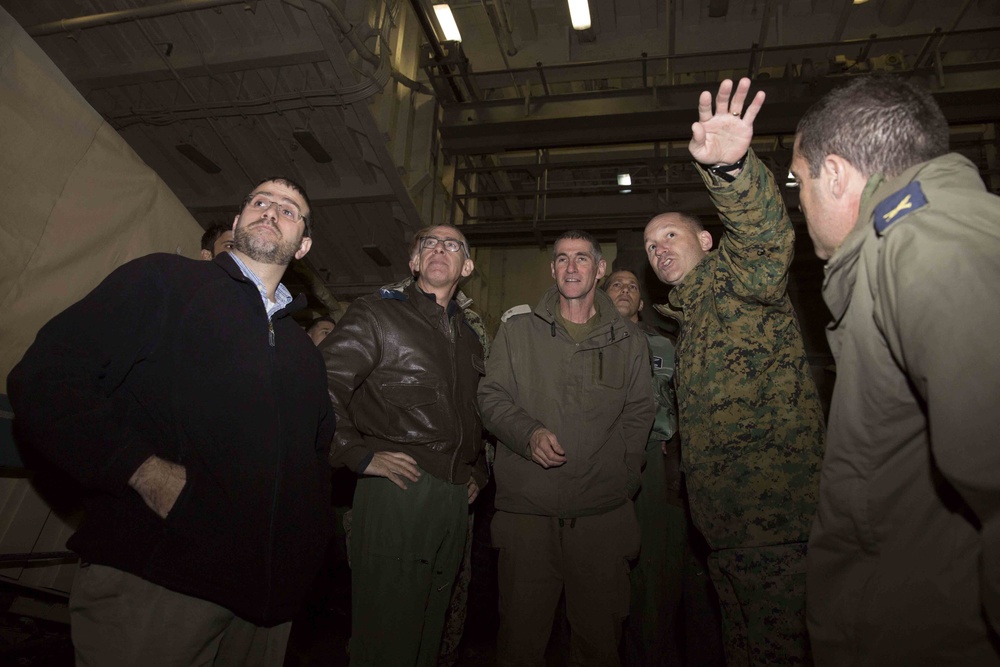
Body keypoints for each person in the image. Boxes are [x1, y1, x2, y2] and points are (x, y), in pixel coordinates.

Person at [8, 177, 336, 666]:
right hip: (158, 577)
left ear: (303, 244)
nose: (270, 211)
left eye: (289, 210)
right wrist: (142, 470)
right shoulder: (164, 281)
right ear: (236, 221)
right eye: (260, 202)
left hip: (266, 609)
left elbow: (315, 458)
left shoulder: (302, 354)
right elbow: (48, 377)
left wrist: (305, 552)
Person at [791, 74, 1000, 665]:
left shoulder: (923, 239)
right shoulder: (919, 236)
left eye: (799, 182)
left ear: (834, 174)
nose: (800, 202)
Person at [643, 78, 825, 666]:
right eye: (649, 245)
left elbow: (765, 236)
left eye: (670, 235)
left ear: (705, 239)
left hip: (779, 522)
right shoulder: (688, 320)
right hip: (725, 530)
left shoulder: (737, 280)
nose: (659, 249)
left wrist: (731, 170)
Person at [478, 231, 655, 667]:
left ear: (599, 269)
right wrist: (528, 433)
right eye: (561, 259)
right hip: (528, 519)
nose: (571, 267)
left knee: (598, 646)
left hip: (601, 521)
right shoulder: (518, 331)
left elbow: (639, 414)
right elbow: (491, 397)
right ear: (552, 270)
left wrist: (624, 476)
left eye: (581, 259)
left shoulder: (628, 341)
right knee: (520, 645)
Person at [321, 224, 487, 667]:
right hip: (398, 491)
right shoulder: (377, 313)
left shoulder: (470, 337)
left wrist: (478, 471)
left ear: (466, 267)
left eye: (452, 245)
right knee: (386, 639)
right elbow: (321, 386)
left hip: (453, 500)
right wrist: (356, 454)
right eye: (428, 243)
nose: (439, 248)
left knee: (428, 637)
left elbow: (476, 415)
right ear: (414, 263)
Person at [604, 269, 683, 667]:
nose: (624, 290)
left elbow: (681, 400)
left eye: (632, 286)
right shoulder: (583, 339)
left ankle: (649, 652)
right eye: (615, 284)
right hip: (597, 461)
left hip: (651, 458)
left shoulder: (665, 346)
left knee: (650, 563)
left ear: (641, 302)